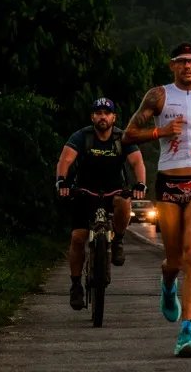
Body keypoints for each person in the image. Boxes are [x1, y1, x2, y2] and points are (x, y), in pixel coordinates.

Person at [120, 42, 191, 357]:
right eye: (181, 62)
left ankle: (187, 332)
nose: (187, 66)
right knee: (173, 260)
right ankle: (168, 287)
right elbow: (128, 134)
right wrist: (160, 132)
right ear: (172, 66)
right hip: (169, 182)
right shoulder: (158, 96)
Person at [55, 97, 147, 311]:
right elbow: (65, 160)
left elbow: (137, 162)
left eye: (107, 113)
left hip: (114, 191)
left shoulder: (122, 138)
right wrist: (62, 181)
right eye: (98, 113)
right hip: (85, 191)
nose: (102, 117)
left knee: (125, 204)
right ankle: (76, 284)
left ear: (113, 117)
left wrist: (140, 183)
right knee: (78, 238)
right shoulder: (82, 136)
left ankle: (118, 241)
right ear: (92, 117)